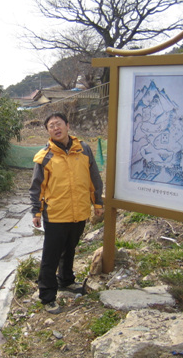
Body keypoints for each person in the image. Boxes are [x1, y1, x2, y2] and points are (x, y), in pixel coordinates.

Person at [29, 112, 104, 314]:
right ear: (48, 132)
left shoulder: (84, 149)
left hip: (79, 211)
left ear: (67, 125)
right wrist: (36, 212)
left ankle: (66, 280)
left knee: (70, 248)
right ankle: (47, 296)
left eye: (58, 124)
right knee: (50, 256)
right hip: (55, 213)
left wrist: (98, 202)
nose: (56, 128)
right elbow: (37, 186)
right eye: (51, 126)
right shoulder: (45, 156)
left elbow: (94, 178)